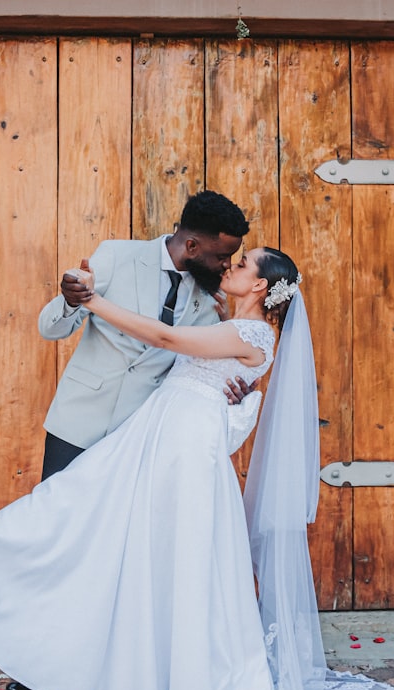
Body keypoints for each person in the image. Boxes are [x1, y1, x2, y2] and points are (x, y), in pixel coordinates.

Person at [0, 247, 394, 690]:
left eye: (243, 264)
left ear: (262, 287)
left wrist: (97, 301)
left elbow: (169, 341)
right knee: (73, 504)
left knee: (156, 549)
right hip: (158, 434)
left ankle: (177, 686)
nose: (232, 266)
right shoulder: (231, 321)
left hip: (184, 450)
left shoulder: (254, 336)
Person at [37, 190, 255, 481]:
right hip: (78, 423)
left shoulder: (211, 298)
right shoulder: (117, 255)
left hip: (140, 437)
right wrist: (72, 300)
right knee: (55, 520)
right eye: (222, 256)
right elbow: (50, 330)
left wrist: (229, 388)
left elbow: (196, 367)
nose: (227, 265)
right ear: (191, 246)